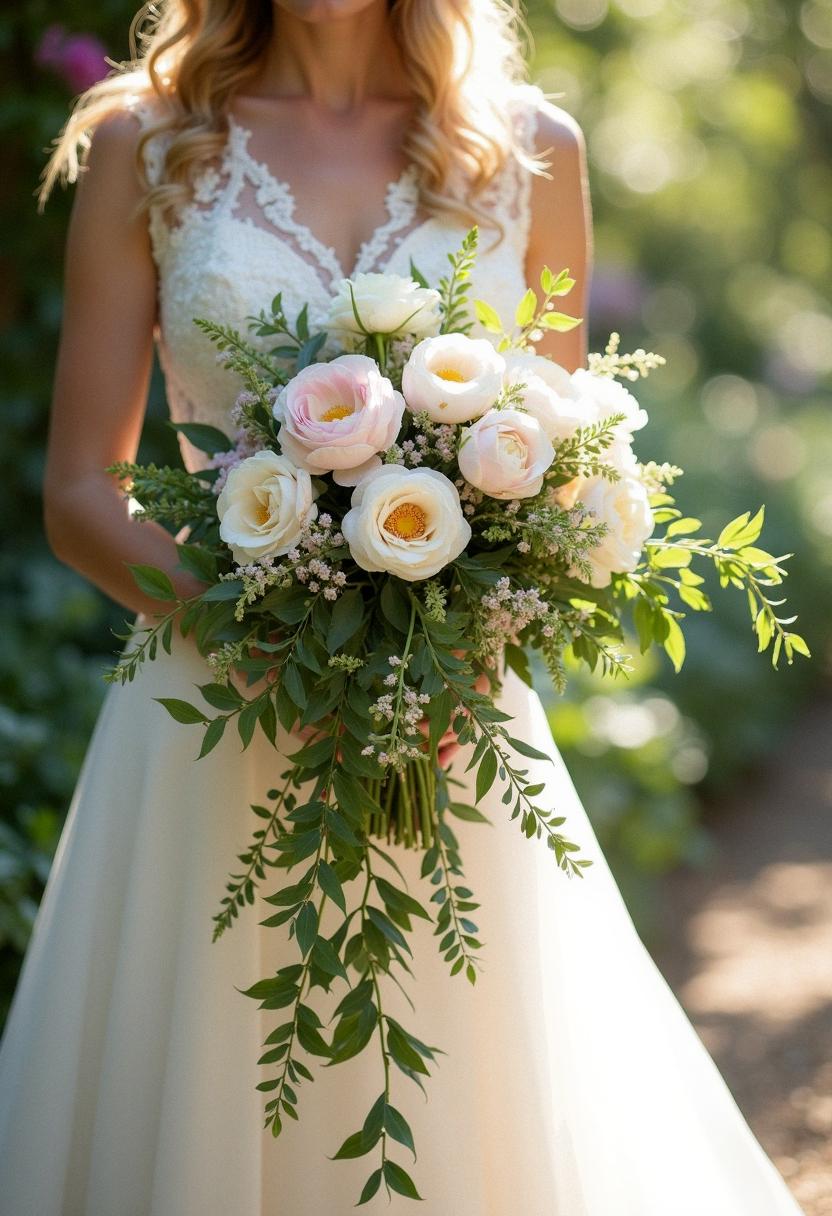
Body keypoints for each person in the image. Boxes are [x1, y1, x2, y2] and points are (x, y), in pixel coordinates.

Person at [0, 1, 807, 1213]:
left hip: (446, 713)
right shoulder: (149, 143)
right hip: (211, 707)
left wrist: (445, 653)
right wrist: (260, 635)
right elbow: (78, 489)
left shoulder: (525, 146)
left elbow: (555, 456)